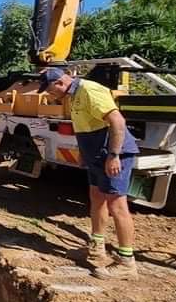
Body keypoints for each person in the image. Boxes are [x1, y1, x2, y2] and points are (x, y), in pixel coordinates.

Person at [39, 66, 139, 279]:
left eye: (49, 90)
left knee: (117, 204)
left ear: (60, 83)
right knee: (96, 197)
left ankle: (127, 262)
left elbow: (117, 122)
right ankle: (97, 248)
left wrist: (114, 155)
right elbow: (87, 126)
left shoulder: (89, 91)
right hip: (96, 156)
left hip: (111, 155)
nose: (50, 94)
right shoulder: (73, 95)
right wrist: (85, 154)